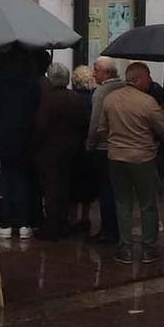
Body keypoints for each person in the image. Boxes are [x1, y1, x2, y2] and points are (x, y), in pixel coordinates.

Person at [91, 61, 164, 262]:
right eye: (148, 76)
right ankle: (149, 248)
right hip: (143, 158)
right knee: (148, 205)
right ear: (139, 79)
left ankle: (124, 248)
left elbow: (102, 128)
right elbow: (161, 129)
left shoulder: (110, 99)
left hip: (116, 157)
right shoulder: (148, 102)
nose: (150, 80)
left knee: (122, 203)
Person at [0, 52, 43, 239]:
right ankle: (24, 223)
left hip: (3, 133)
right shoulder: (32, 81)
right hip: (25, 134)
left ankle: (6, 221)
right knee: (22, 179)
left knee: (4, 178)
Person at [31, 63, 87, 240]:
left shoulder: (47, 100)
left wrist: (34, 146)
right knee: (64, 186)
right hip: (71, 149)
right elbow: (84, 123)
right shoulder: (75, 98)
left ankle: (52, 226)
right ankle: (63, 224)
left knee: (51, 188)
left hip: (49, 150)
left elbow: (40, 126)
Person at [86, 57, 125, 244]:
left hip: (103, 147)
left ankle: (108, 230)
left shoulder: (101, 92)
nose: (93, 74)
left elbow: (95, 122)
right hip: (121, 146)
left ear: (107, 73)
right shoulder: (124, 87)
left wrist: (89, 143)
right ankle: (118, 229)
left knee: (106, 190)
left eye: (96, 70)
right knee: (118, 191)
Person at [68, 65, 102, 235]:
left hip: (74, 146)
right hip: (89, 147)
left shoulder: (72, 98)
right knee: (88, 185)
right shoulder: (95, 98)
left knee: (73, 182)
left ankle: (72, 217)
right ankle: (85, 218)